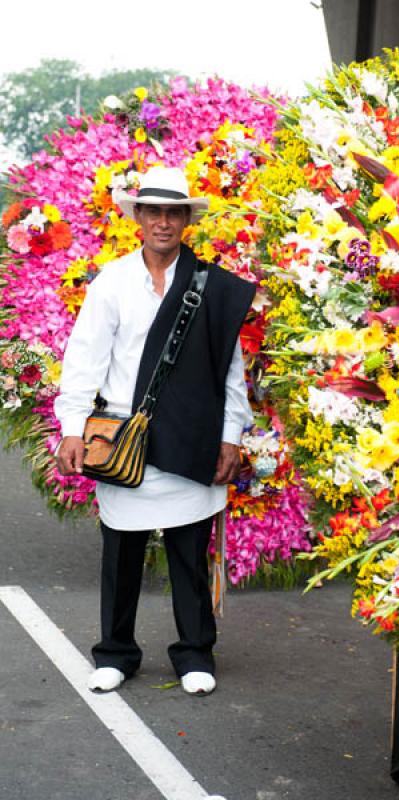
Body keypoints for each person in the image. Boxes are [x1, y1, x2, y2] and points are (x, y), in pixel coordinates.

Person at [55, 166, 255, 695]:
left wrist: (231, 436)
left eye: (174, 212)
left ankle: (194, 654)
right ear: (138, 217)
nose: (163, 222)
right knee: (120, 552)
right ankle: (116, 653)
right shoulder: (112, 282)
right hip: (125, 439)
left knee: (189, 553)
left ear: (187, 220)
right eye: (154, 211)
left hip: (191, 435)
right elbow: (84, 359)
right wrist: (73, 428)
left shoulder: (213, 287)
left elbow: (230, 371)